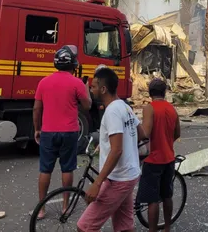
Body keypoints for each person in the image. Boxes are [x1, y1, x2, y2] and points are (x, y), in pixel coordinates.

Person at [77, 67, 146, 232]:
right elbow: (141, 133)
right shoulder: (124, 106)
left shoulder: (112, 111)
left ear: (103, 89)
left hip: (119, 179)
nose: (91, 90)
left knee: (85, 227)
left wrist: (97, 183)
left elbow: (117, 150)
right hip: (129, 174)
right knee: (124, 226)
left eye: (93, 87)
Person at [33, 45, 91, 219]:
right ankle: (65, 206)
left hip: (48, 132)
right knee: (67, 168)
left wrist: (37, 129)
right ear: (73, 64)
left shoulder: (44, 82)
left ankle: (41, 209)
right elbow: (87, 106)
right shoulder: (77, 83)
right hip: (70, 132)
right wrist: (85, 87)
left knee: (45, 170)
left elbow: (37, 109)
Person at [137, 78, 181, 232]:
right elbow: (177, 133)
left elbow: (145, 133)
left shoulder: (150, 108)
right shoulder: (171, 109)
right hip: (169, 158)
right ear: (164, 92)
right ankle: (167, 227)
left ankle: (153, 230)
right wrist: (167, 143)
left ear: (150, 93)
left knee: (152, 200)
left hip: (153, 160)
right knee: (167, 195)